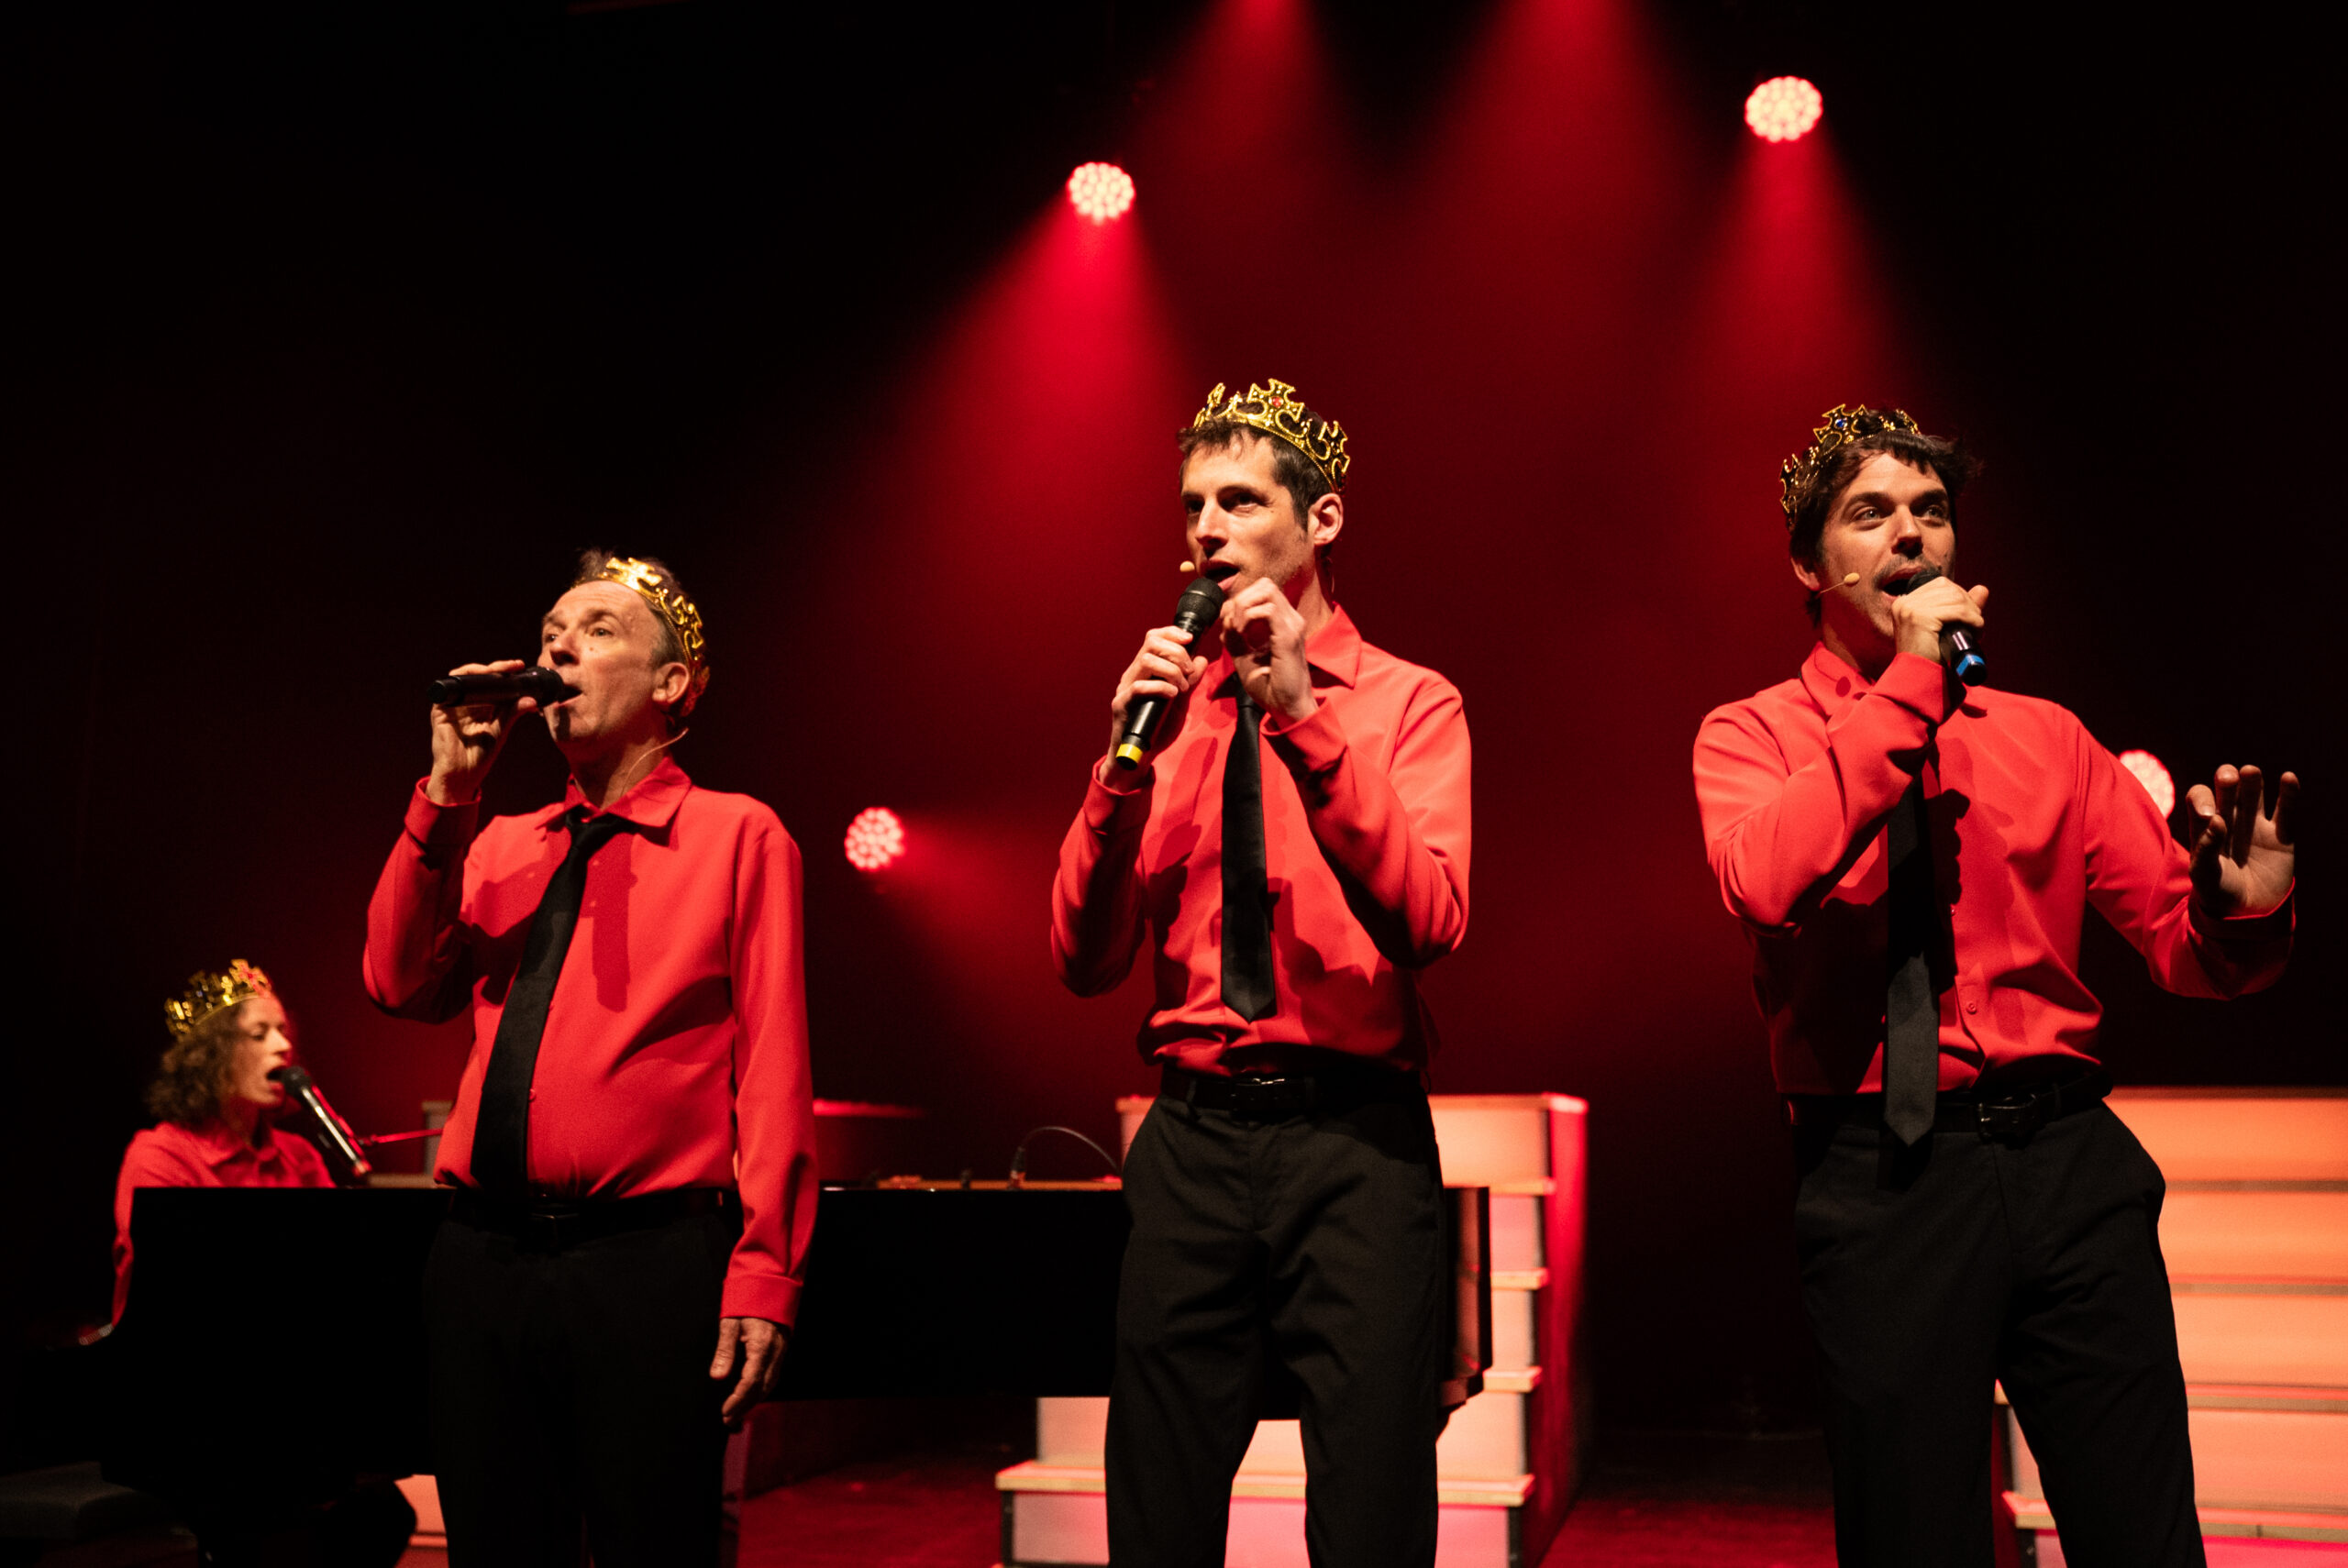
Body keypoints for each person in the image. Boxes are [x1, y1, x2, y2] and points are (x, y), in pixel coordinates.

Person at [1691, 404, 2299, 1568]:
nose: (1910, 536)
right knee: (1913, 1535)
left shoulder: (2046, 737)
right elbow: (1765, 883)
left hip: (2069, 1161)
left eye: (1931, 512)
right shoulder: (1750, 736)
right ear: (1809, 564)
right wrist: (1909, 688)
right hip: (1886, 1178)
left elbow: (2183, 950)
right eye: (1870, 514)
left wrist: (2242, 910)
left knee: (2143, 1532)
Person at [1052, 380, 1472, 1568]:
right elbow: (1081, 958)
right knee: (1159, 1507)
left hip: (1355, 1140)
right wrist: (1117, 772)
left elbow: (1431, 920)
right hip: (1192, 1139)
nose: (1207, 528)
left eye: (1240, 500)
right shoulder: (1168, 715)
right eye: (1193, 505)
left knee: (1372, 1507)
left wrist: (1301, 714)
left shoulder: (1409, 702)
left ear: (1321, 519)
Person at [364, 552, 815, 1567]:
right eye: (550, 633)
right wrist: (446, 797)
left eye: (598, 630)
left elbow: (775, 1070)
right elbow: (396, 983)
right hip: (480, 1258)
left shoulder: (738, 835)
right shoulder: (499, 840)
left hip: (645, 1266)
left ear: (672, 685)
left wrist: (765, 1272)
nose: (559, 648)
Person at [112, 961, 416, 1568]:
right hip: (187, 1404)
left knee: (381, 1512)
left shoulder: (300, 1157)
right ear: (210, 1055)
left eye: (284, 1033)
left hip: (282, 1403)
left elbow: (338, 1288)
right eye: (259, 1034)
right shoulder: (160, 1156)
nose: (283, 1047)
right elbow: (180, 1310)